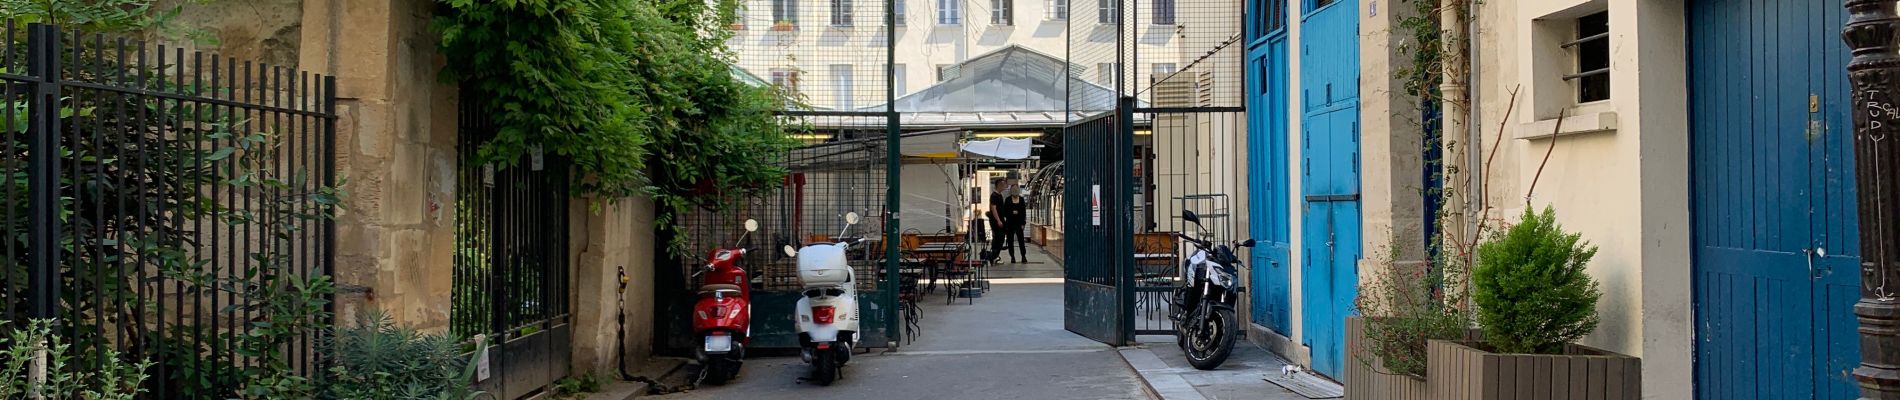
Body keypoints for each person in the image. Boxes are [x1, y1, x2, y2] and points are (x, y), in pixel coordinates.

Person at [1001, 185, 1028, 263]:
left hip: (1019, 223)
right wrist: (1012, 212)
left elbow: (1024, 212)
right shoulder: (1008, 200)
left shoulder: (1021, 199)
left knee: (1021, 240)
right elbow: (1004, 212)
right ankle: (1012, 256)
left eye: (1016, 189)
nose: (1015, 190)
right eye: (1013, 189)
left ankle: (1023, 256)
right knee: (1010, 241)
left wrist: (1023, 223)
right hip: (1010, 223)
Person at [986, 181, 1008, 262]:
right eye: (1003, 185)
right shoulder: (994, 196)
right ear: (999, 186)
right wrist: (998, 220)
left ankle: (996, 255)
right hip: (996, 221)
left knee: (1001, 238)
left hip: (1001, 219)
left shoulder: (1000, 195)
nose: (1005, 187)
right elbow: (993, 209)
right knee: (998, 238)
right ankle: (993, 256)